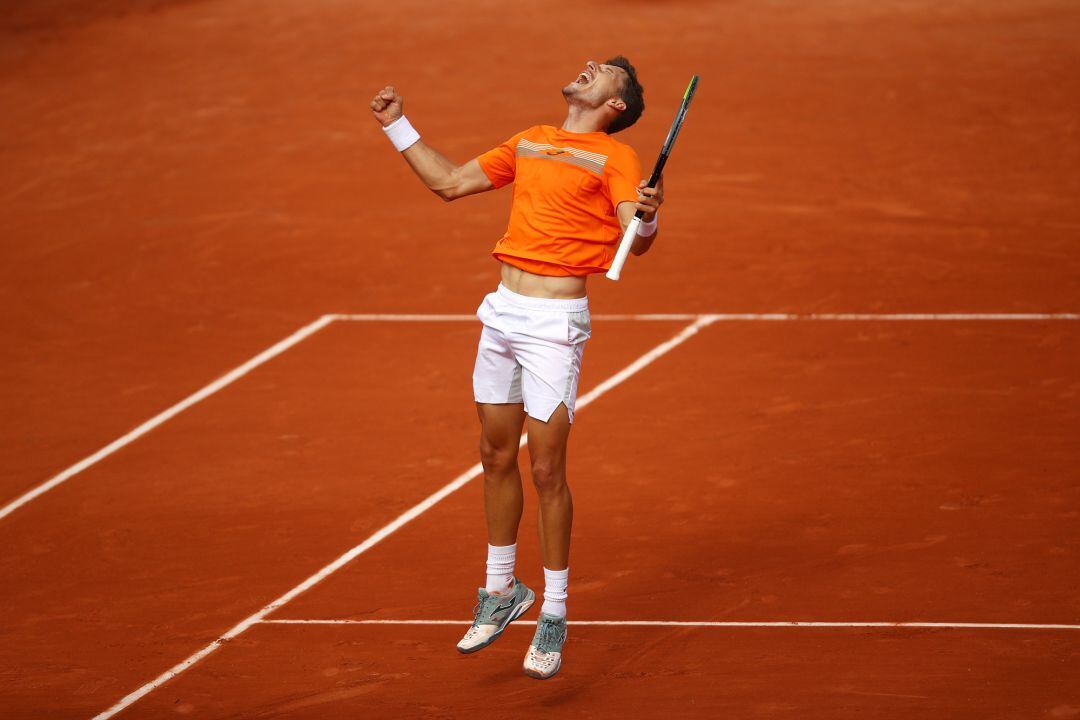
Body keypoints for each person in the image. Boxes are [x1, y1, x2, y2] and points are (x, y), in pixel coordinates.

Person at [370, 56, 663, 679]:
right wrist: (398, 125)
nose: (589, 68)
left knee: (547, 466)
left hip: (555, 326)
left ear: (617, 105)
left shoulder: (619, 159)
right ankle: (502, 591)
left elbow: (632, 236)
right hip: (502, 314)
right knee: (495, 456)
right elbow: (449, 182)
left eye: (605, 71)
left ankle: (554, 612)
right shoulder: (530, 139)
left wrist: (649, 216)